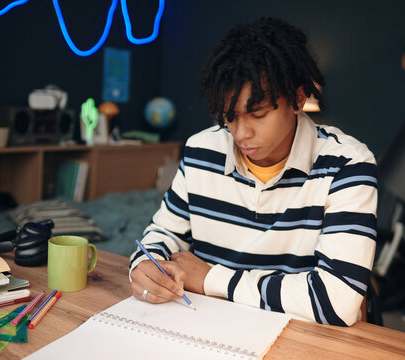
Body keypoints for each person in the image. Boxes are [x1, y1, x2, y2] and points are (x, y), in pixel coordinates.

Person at [129, 17, 377, 326]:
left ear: (298, 99)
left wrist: (211, 280)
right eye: (229, 116)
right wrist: (143, 265)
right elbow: (164, 233)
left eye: (257, 114)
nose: (240, 133)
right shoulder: (201, 150)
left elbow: (335, 301)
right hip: (202, 326)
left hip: (299, 338)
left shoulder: (347, 165)